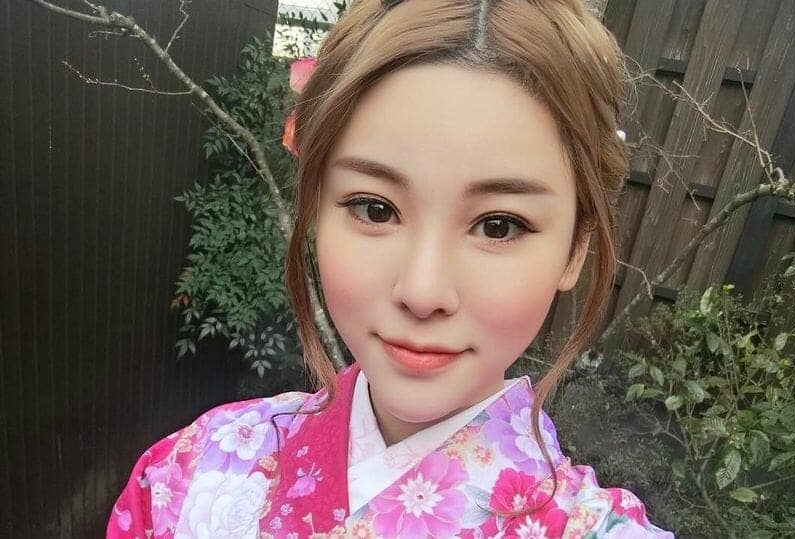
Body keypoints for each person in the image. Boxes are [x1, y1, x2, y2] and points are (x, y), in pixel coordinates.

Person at [108, 0, 674, 536]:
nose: (423, 292)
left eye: (498, 225)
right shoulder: (188, 475)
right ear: (315, 209)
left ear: (576, 247)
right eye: (375, 209)